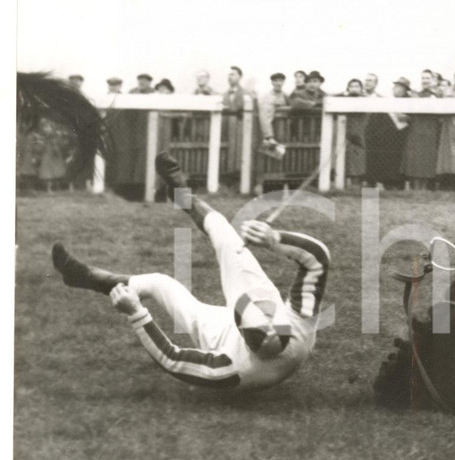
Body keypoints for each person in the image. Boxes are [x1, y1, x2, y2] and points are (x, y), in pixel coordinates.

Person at [51, 152, 330, 392]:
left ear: (241, 328)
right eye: (266, 306)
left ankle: (88, 278)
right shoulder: (298, 320)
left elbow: (172, 358)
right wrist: (274, 239)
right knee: (223, 231)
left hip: (219, 337)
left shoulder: (232, 368)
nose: (255, 298)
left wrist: (135, 312)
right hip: (265, 327)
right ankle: (181, 193)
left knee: (162, 284)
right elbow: (318, 258)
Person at [364, 77, 410, 189]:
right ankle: (384, 184)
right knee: (384, 162)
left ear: (404, 90)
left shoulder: (409, 101)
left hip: (400, 138)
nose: (395, 88)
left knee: (396, 163)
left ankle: (395, 186)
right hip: (384, 139)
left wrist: (406, 118)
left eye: (398, 86)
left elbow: (411, 119)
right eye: (395, 86)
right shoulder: (387, 101)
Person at [402, 70, 442, 190]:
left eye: (427, 78)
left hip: (430, 130)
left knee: (426, 159)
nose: (425, 80)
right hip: (416, 128)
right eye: (423, 78)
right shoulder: (414, 94)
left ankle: (424, 188)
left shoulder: (437, 95)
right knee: (414, 158)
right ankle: (415, 187)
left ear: (432, 80)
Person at [338, 78, 367, 184]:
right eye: (352, 86)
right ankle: (343, 189)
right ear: (348, 88)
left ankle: (356, 188)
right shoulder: (343, 100)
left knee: (358, 165)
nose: (354, 89)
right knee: (344, 163)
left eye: (357, 86)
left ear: (361, 89)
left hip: (360, 136)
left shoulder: (365, 100)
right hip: (346, 135)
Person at [258, 72, 289, 159]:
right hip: (274, 130)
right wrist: (269, 136)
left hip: (284, 129)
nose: (278, 83)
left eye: (281, 81)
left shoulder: (285, 95)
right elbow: (265, 116)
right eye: (276, 81)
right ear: (272, 82)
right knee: (272, 156)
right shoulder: (268, 97)